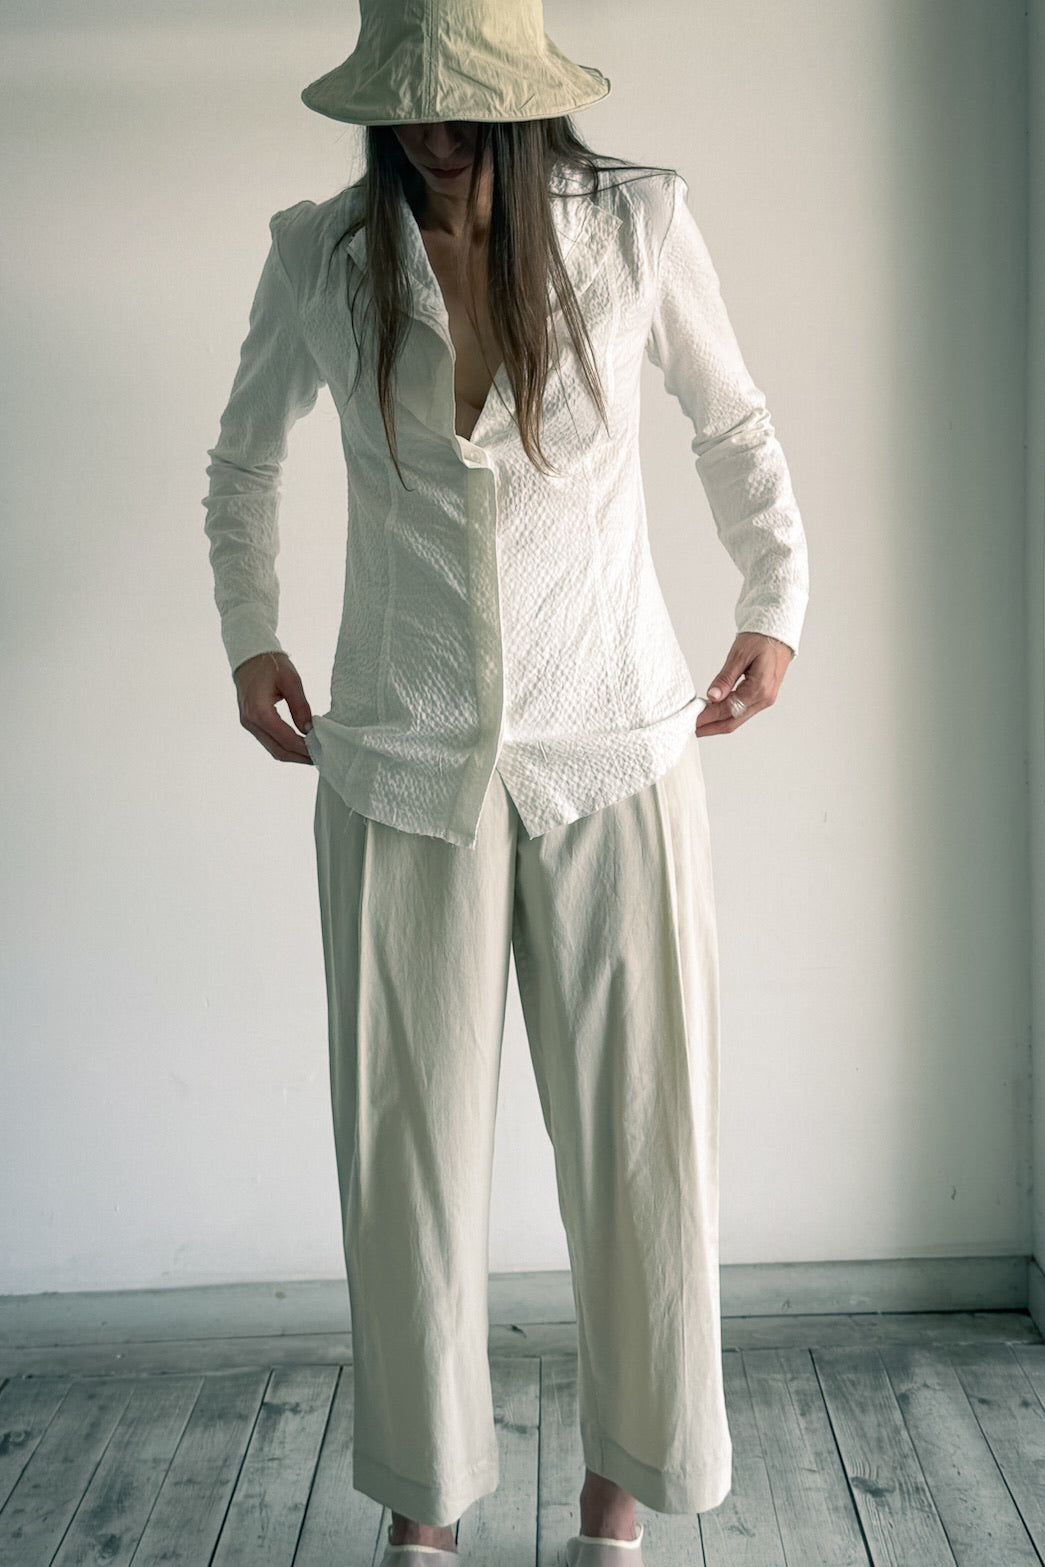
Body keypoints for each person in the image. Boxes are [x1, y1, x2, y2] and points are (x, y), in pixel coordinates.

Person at [202, 2, 809, 1563]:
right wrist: (252, 634)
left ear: (530, 99)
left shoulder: (636, 226)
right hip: (400, 765)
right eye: (408, 102)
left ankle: (621, 1492)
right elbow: (244, 459)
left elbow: (730, 420)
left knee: (642, 1144)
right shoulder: (321, 255)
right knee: (402, 1158)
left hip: (615, 748)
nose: (433, 131)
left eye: (465, 100)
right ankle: (427, 1501)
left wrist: (774, 598)